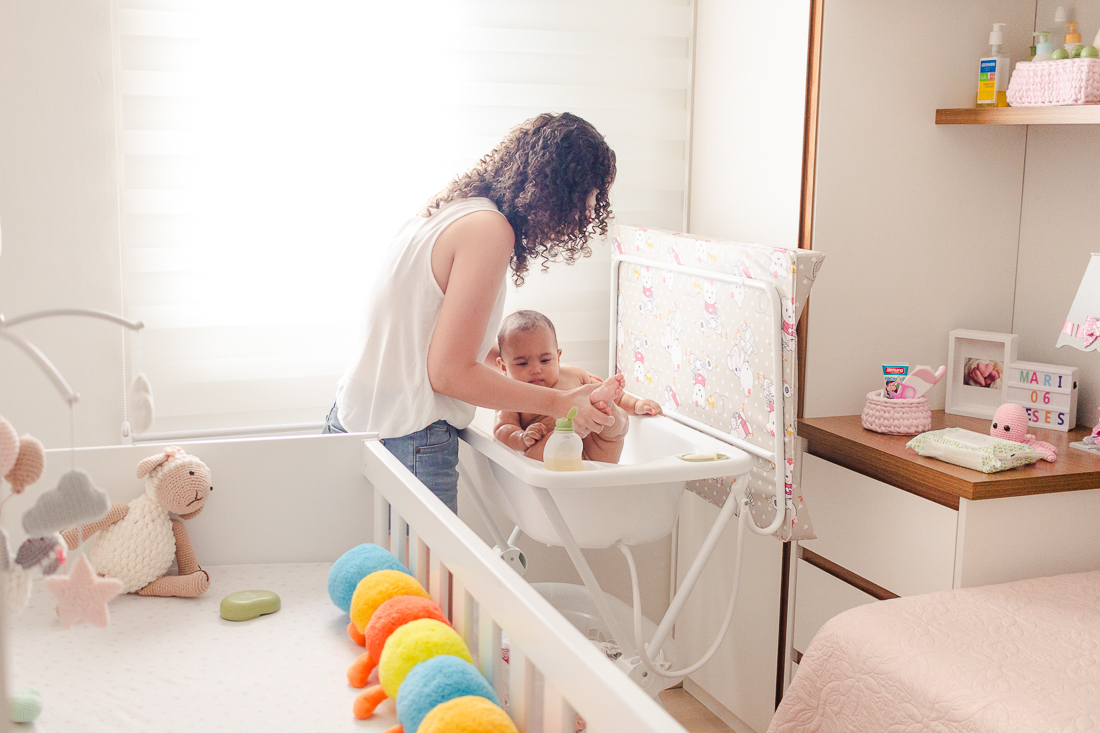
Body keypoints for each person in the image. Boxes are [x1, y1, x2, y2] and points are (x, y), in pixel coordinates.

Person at [324, 113, 621, 513]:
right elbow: (448, 373)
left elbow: (420, 336)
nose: (588, 214)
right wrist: (560, 402)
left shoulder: (449, 212)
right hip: (408, 436)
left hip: (354, 415)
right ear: (557, 190)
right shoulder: (490, 230)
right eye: (588, 197)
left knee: (366, 575)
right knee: (424, 578)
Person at [492, 310, 661, 464]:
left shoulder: (574, 375)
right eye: (522, 363)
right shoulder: (510, 393)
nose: (536, 369)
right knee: (539, 450)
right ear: (504, 367)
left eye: (545, 360)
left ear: (558, 357)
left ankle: (604, 405)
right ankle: (571, 429)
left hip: (597, 453)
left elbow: (619, 396)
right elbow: (502, 429)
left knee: (616, 423)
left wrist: (636, 405)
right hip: (555, 458)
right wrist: (521, 437)